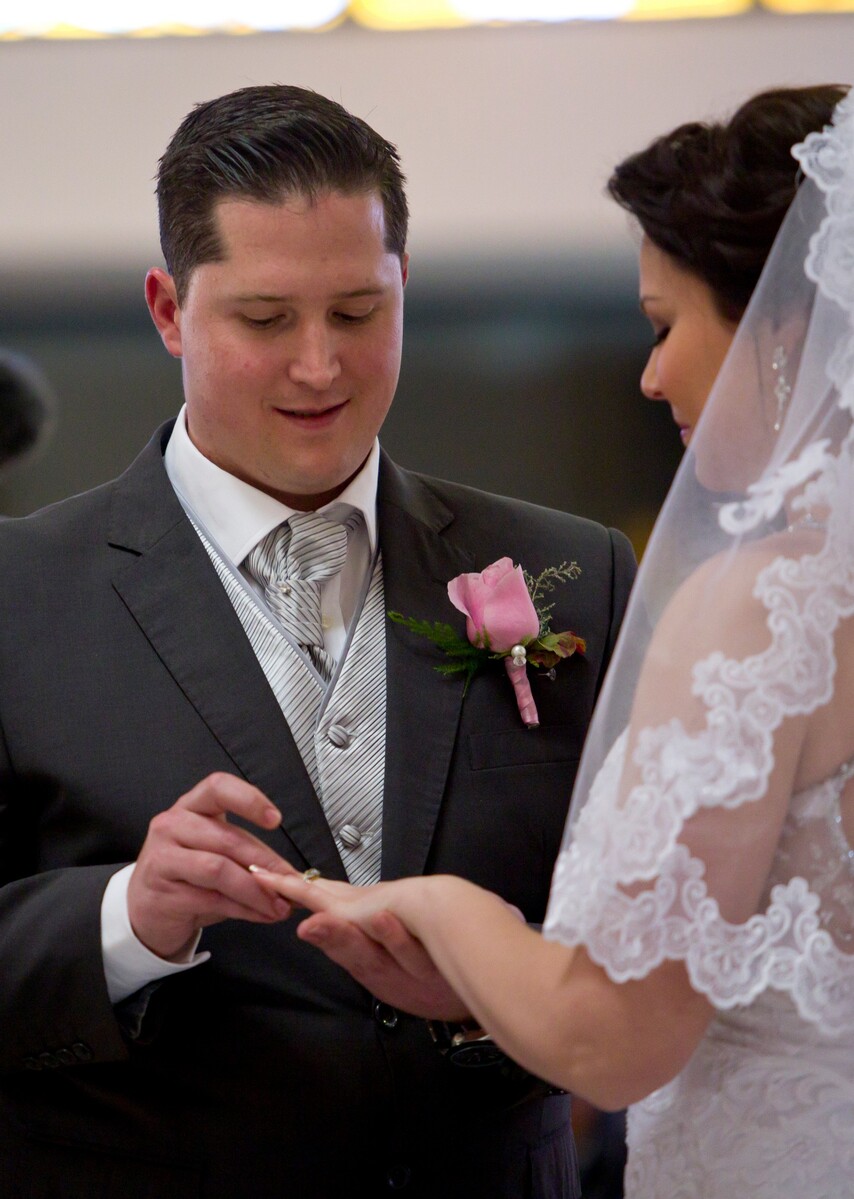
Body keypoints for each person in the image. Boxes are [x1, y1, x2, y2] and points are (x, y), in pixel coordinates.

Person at [0, 85, 636, 1197]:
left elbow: (661, 938)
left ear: (404, 288)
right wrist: (124, 918)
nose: (318, 366)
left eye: (356, 312)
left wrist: (489, 990)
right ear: (167, 309)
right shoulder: (20, 591)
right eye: (264, 319)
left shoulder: (574, 572)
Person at [259, 86, 854, 1197]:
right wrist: (483, 985)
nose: (650, 374)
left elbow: (613, 1040)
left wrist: (440, 906)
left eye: (663, 324)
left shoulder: (761, 607)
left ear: (781, 332)